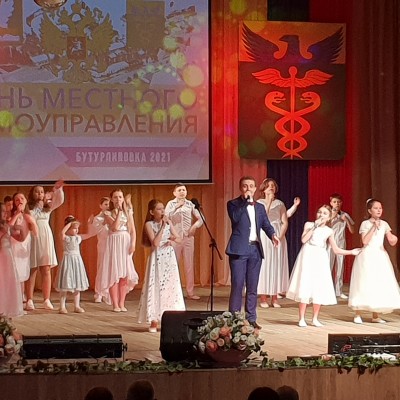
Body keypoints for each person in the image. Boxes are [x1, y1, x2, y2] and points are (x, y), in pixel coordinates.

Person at [286, 204, 360, 327]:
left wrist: (351, 252)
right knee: (305, 284)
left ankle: (315, 318)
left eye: (324, 213)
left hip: (320, 257)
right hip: (307, 255)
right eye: (319, 212)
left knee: (318, 286)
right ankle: (302, 318)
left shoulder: (329, 231)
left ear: (329, 217)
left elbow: (336, 249)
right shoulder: (309, 225)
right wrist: (315, 226)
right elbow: (304, 240)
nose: (321, 215)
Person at [226, 176, 279, 329]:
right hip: (239, 250)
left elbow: (266, 224)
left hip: (255, 250)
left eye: (251, 186)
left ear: (255, 188)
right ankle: (234, 318)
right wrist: (245, 202)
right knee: (237, 285)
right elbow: (235, 218)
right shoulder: (233, 204)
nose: (248, 188)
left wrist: (273, 235)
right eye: (245, 186)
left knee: (252, 286)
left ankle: (251, 318)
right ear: (240, 188)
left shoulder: (260, 207)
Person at [349, 198, 400, 324]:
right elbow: (365, 241)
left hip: (380, 256)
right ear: (369, 210)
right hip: (367, 256)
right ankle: (358, 313)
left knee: (378, 283)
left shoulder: (384, 224)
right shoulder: (365, 224)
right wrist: (373, 227)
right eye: (376, 208)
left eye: (380, 208)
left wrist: (393, 237)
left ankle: (376, 315)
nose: (379, 210)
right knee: (363, 282)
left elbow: (391, 241)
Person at [138, 199, 185, 333]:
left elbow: (179, 239)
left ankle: (172, 318)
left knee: (170, 286)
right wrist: (163, 227)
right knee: (156, 286)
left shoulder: (168, 222)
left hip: (169, 257)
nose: (162, 211)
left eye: (163, 208)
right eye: (159, 209)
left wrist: (172, 239)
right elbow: (155, 243)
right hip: (157, 258)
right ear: (152, 212)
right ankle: (154, 319)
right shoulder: (149, 224)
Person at [257, 178, 298, 308]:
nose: (271, 188)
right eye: (268, 186)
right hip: (265, 234)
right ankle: (263, 297)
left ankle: (274, 298)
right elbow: (262, 217)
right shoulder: (259, 203)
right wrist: (269, 201)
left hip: (278, 234)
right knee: (265, 265)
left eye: (273, 186)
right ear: (263, 189)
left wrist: (280, 237)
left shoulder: (280, 203)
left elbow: (284, 221)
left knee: (277, 265)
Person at [26, 179, 65, 311]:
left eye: (42, 192)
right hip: (33, 238)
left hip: (45, 237)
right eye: (37, 192)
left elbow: (59, 201)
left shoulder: (47, 207)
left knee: (46, 269)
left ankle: (46, 299)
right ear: (32, 194)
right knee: (32, 269)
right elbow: (30, 219)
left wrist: (57, 190)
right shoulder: (29, 208)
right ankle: (29, 300)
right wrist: (39, 204)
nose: (39, 194)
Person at [98, 189, 138, 312]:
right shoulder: (107, 213)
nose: (118, 199)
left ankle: (122, 303)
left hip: (125, 242)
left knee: (124, 274)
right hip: (114, 243)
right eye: (115, 197)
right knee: (114, 273)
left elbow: (132, 230)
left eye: (120, 197)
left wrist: (133, 244)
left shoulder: (128, 212)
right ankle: (115, 304)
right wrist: (119, 212)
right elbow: (114, 227)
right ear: (112, 199)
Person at [165, 183, 203, 300]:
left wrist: (194, 226)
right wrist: (177, 206)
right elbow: (165, 217)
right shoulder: (170, 204)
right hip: (175, 238)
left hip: (188, 238)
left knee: (189, 265)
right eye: (179, 190)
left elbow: (201, 219)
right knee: (173, 265)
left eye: (184, 190)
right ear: (174, 193)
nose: (182, 192)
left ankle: (190, 292)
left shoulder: (190, 204)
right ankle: (172, 292)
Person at [55, 216, 95, 314]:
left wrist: (89, 224)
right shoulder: (66, 238)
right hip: (68, 261)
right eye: (74, 228)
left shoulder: (78, 238)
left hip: (77, 261)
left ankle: (77, 306)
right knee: (65, 284)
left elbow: (89, 234)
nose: (76, 230)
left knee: (77, 284)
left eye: (77, 228)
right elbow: (61, 233)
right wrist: (69, 224)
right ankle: (62, 306)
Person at [0, 201, 32, 317]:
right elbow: (4, 232)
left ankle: (7, 307)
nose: (5, 213)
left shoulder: (7, 225)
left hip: (8, 258)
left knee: (8, 282)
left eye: (6, 211)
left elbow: (20, 238)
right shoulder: (5, 226)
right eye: (3, 211)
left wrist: (23, 229)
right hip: (1, 257)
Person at [10, 192, 38, 302]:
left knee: (22, 272)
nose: (20, 201)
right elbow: (9, 227)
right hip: (13, 246)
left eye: (22, 198)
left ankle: (21, 297)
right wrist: (17, 214)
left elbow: (36, 233)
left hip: (24, 246)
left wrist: (32, 222)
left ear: (26, 201)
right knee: (13, 271)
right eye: (17, 200)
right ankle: (13, 298)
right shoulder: (11, 215)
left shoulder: (28, 216)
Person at [328, 193, 355, 298]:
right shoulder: (327, 214)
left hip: (341, 243)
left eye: (338, 202)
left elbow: (352, 230)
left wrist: (346, 220)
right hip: (330, 244)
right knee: (328, 266)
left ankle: (339, 291)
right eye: (334, 202)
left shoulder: (345, 214)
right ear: (331, 203)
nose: (337, 204)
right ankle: (328, 290)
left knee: (340, 267)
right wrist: (333, 216)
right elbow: (324, 225)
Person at [91, 196, 111, 303]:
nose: (108, 206)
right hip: (103, 245)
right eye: (105, 204)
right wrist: (105, 221)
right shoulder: (97, 218)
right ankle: (98, 293)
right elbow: (96, 231)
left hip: (112, 246)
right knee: (101, 268)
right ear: (101, 206)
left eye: (109, 204)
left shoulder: (113, 216)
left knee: (110, 269)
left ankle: (107, 293)